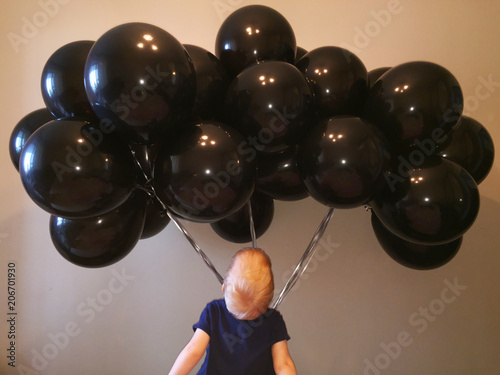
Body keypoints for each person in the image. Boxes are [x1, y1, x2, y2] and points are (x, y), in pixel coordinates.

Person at [168, 247, 297, 375]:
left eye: (252, 315)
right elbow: (193, 351)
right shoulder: (214, 312)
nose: (243, 319)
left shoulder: (274, 321)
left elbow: (283, 364)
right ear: (224, 286)